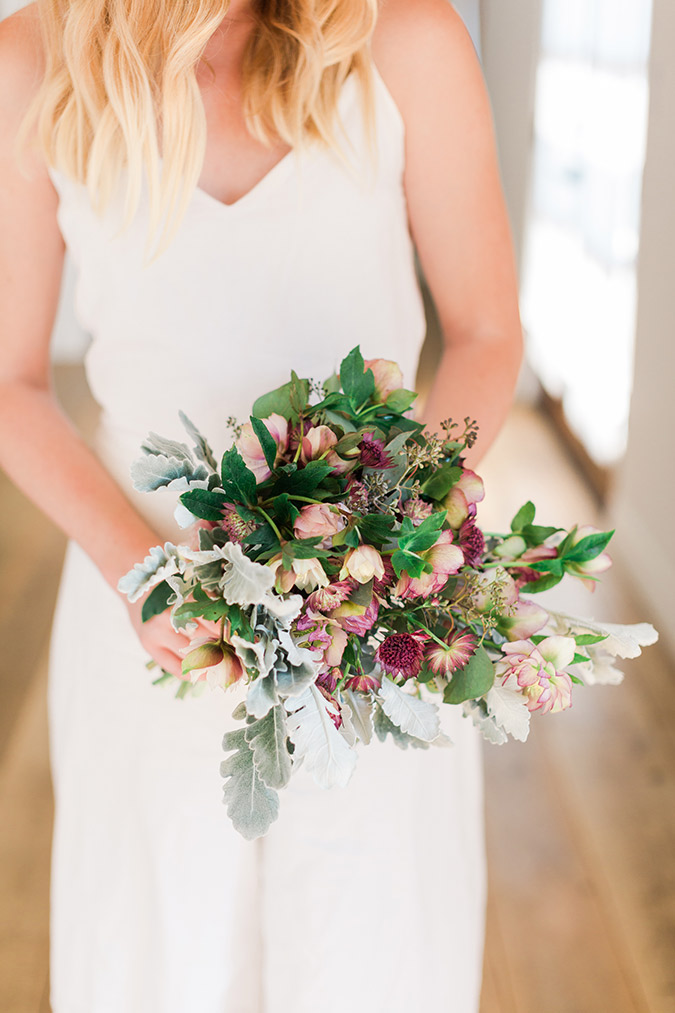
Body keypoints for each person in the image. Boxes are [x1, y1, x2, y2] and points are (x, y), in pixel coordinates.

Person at [0, 0, 523, 1010]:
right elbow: (11, 382)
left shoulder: (408, 42)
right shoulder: (31, 58)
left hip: (374, 617)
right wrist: (138, 575)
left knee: (374, 954)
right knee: (153, 958)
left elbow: (487, 331)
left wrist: (381, 530)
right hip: (142, 608)